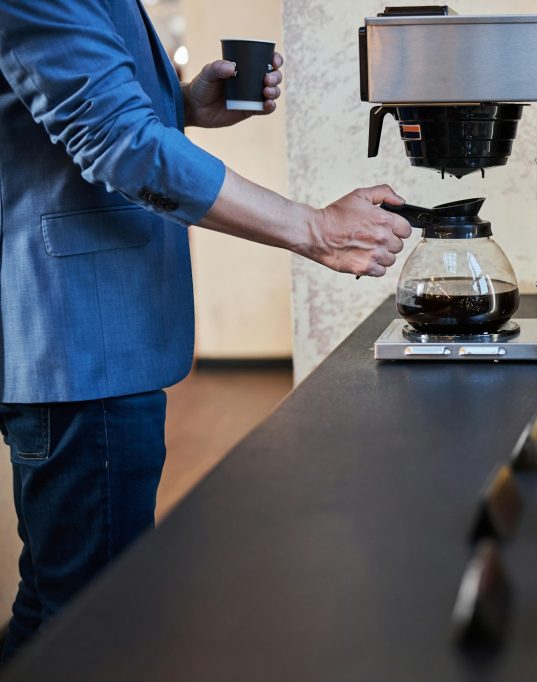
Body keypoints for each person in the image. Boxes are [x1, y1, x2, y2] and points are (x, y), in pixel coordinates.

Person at [0, 0, 411, 658]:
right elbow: (121, 144)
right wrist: (316, 229)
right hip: (79, 339)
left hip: (91, 335)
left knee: (59, 600)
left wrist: (183, 103)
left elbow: (53, 100)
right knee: (95, 616)